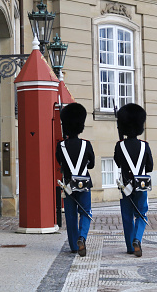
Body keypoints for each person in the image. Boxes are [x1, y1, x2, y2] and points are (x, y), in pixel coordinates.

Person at [113, 103, 153, 257]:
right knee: (142, 213)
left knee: (127, 216)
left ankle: (130, 246)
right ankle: (137, 239)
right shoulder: (145, 145)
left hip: (125, 185)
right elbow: (150, 166)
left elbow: (117, 163)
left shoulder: (119, 145)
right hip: (141, 184)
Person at [55, 102, 95, 257]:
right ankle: (82, 238)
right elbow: (91, 164)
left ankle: (73, 245)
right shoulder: (86, 144)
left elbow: (60, 163)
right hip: (84, 183)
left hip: (68, 184)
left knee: (71, 215)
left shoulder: (61, 146)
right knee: (85, 212)